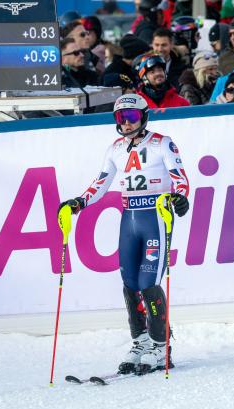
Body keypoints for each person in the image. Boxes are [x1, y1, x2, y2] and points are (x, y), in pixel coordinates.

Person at [58, 93, 190, 374]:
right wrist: (79, 202)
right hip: (129, 218)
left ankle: (160, 345)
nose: (126, 123)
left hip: (155, 216)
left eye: (131, 117)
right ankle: (140, 341)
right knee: (129, 282)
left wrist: (180, 198)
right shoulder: (115, 148)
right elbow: (101, 183)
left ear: (143, 117)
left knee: (148, 282)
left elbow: (180, 178)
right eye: (121, 118)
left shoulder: (161, 143)